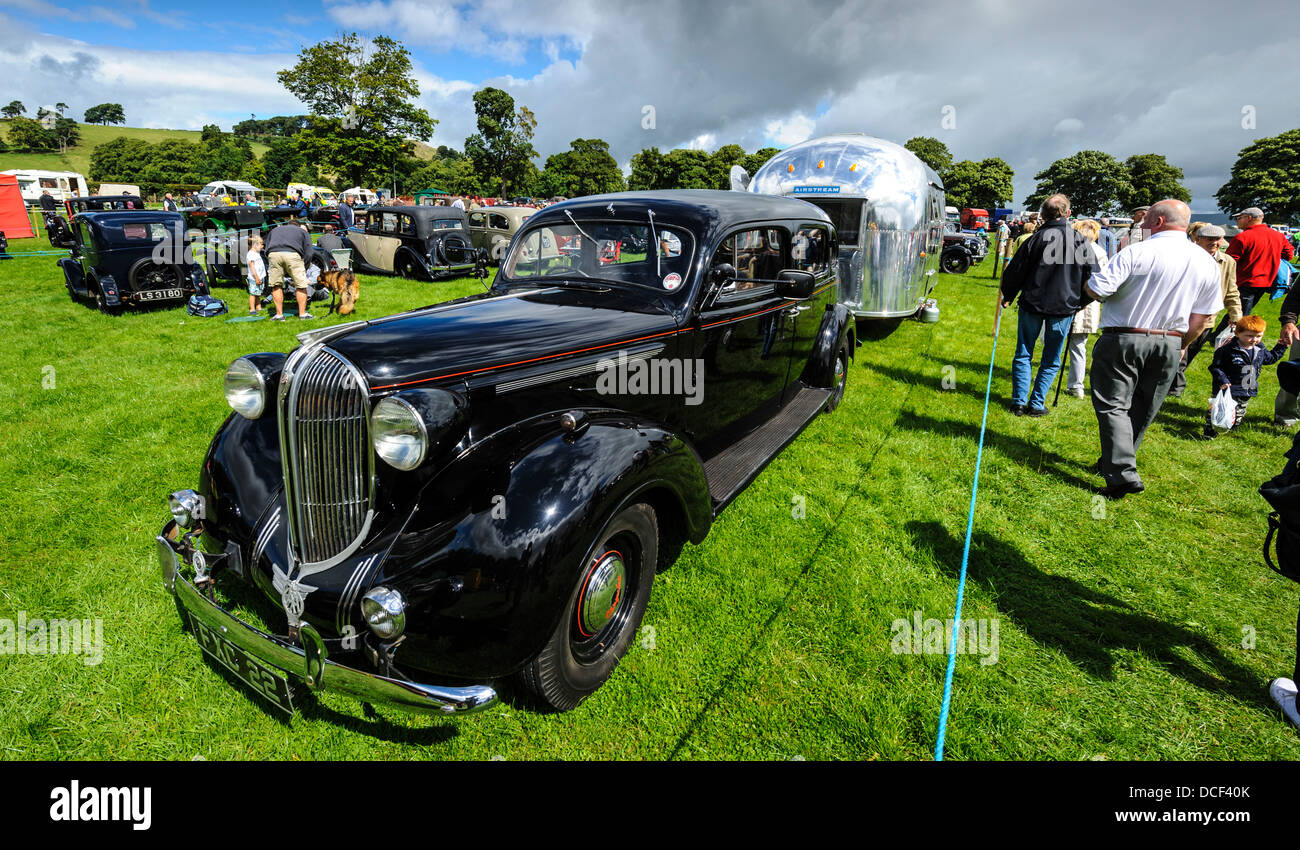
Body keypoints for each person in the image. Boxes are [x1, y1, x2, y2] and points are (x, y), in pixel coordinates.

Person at [1085, 199, 1222, 498]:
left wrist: (1087, 285)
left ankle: (1121, 473)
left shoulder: (1137, 251)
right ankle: (1118, 462)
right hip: (1171, 340)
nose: (1142, 224)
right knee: (1145, 406)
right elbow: (1204, 317)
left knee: (1113, 405)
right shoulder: (1205, 261)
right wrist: (1183, 345)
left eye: (1146, 220)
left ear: (1158, 222)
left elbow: (1098, 289)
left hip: (1124, 336)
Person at [999, 194, 1098, 416]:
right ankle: (1034, 403)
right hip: (1063, 307)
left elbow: (1015, 272)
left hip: (1035, 304)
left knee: (1024, 353)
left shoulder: (1035, 239)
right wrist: (1079, 303)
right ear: (1068, 214)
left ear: (1043, 214)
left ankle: (1020, 401)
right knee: (1051, 358)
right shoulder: (1081, 241)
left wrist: (1009, 295)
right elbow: (1094, 280)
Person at [1169, 223, 1243, 398]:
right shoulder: (1183, 256)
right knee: (1177, 352)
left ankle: (1170, 384)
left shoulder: (1228, 262)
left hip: (1206, 318)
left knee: (1189, 353)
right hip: (1180, 314)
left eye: (1217, 239)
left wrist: (1236, 315)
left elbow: (1231, 290)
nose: (1214, 243)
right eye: (1210, 239)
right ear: (1197, 239)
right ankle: (1174, 389)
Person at [1204, 314, 1288, 437]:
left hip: (1247, 388)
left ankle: (1233, 425)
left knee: (1239, 411)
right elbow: (1215, 367)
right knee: (1219, 409)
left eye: (1258, 336)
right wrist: (1223, 379)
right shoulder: (1227, 350)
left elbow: (1270, 359)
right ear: (1237, 333)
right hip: (1227, 387)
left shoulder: (1259, 349)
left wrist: (1282, 346)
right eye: (1249, 336)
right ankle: (1210, 430)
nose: (1254, 339)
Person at [1064, 219, 1107, 398]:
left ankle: (1073, 385)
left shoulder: (1069, 250)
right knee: (1078, 346)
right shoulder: (1101, 252)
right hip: (1088, 302)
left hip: (1074, 300)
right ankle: (1076, 386)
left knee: (1060, 342)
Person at [1226, 207, 1294, 318]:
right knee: (1239, 314)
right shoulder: (1278, 236)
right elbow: (1289, 255)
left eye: (1239, 218)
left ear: (1249, 218)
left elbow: (1228, 261)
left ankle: (1232, 335)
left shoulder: (1242, 237)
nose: (1237, 220)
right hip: (1266, 282)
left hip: (1245, 282)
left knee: (1239, 316)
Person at [263, 221, 315, 320]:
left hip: (273, 254)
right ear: (298, 226)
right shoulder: (302, 231)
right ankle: (302, 314)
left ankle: (279, 315)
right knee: (301, 285)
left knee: (276, 285)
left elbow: (266, 247)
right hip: (293, 254)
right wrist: (305, 267)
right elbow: (309, 252)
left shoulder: (274, 230)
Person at [245, 234, 265, 314]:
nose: (262, 246)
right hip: (254, 278)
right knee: (253, 293)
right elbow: (252, 267)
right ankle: (252, 309)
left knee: (258, 293)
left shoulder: (256, 253)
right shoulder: (251, 254)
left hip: (260, 277)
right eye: (261, 244)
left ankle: (258, 307)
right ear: (255, 245)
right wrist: (256, 277)